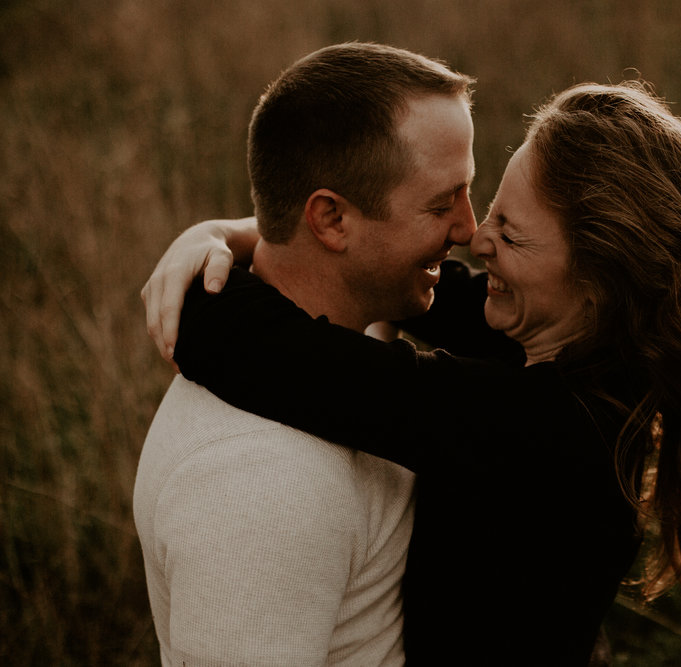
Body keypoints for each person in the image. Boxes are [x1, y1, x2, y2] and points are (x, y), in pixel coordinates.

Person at [144, 81, 681, 665]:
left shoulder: (547, 430)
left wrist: (200, 281)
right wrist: (234, 231)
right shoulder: (588, 347)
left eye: (510, 231)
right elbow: (394, 272)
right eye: (490, 210)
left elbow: (280, 357)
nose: (476, 239)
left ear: (599, 281)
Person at [133, 42, 478, 666]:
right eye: (441, 203)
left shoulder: (368, 315)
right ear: (332, 221)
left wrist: (228, 231)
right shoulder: (258, 483)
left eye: (467, 193)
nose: (470, 231)